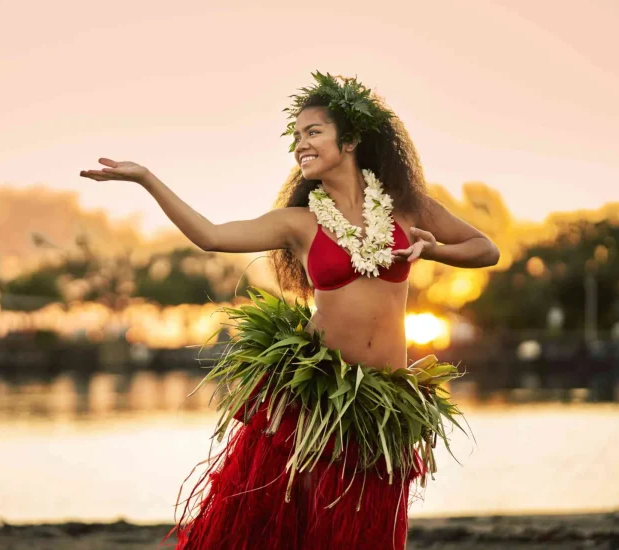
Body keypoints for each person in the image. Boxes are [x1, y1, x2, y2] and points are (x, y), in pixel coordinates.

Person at [80, 71, 499, 550]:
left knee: (371, 533)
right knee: (306, 532)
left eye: (313, 132)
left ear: (352, 140)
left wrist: (433, 249)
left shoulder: (407, 208)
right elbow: (211, 235)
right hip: (317, 400)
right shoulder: (298, 223)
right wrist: (146, 178)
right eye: (296, 136)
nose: (300, 144)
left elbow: (485, 249)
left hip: (384, 400)